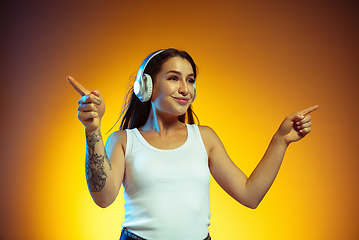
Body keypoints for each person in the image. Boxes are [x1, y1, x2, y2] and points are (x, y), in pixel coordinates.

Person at [67, 48, 319, 240]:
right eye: (174, 78)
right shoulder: (124, 141)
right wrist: (93, 130)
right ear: (146, 86)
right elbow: (103, 198)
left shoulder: (205, 138)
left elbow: (250, 195)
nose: (185, 89)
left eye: (190, 80)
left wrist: (281, 140)